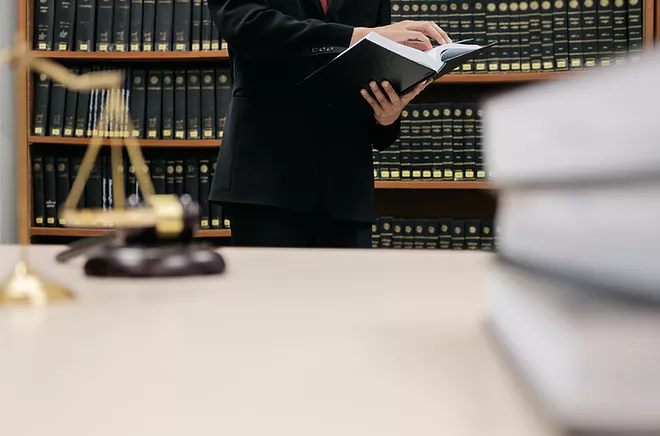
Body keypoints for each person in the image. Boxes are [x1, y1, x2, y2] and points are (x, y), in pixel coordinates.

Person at [207, 0, 450, 248]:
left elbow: (377, 65)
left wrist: (386, 117)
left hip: (347, 192)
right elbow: (246, 26)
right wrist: (356, 36)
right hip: (264, 183)